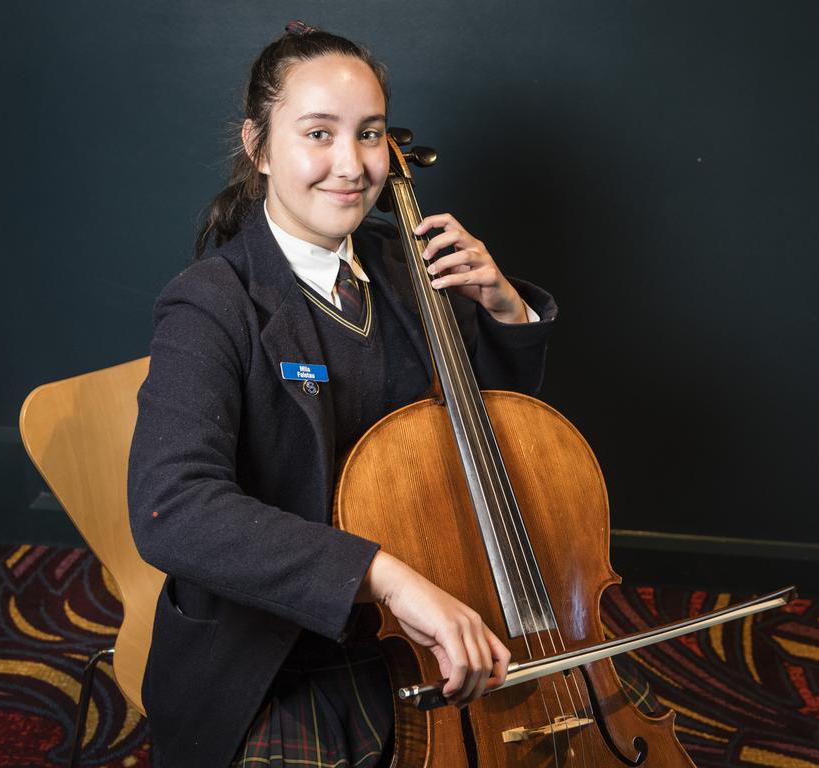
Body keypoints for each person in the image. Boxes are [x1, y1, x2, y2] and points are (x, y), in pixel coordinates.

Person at [128, 21, 557, 768]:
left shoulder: (411, 266)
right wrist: (384, 577)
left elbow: (488, 439)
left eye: (369, 134)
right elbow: (175, 509)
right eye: (318, 134)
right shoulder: (211, 303)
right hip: (275, 655)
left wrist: (504, 309)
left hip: (424, 628)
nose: (352, 166)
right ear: (259, 148)